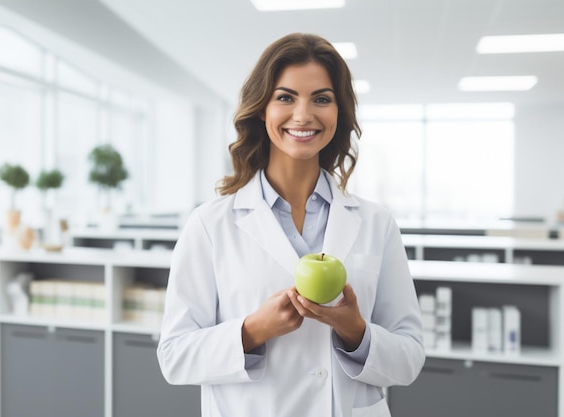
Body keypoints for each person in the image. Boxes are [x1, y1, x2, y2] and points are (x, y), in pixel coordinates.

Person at [157, 32, 425, 417]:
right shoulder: (209, 225)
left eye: (321, 98)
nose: (303, 114)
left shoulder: (376, 223)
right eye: (285, 97)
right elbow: (174, 356)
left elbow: (410, 357)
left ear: (339, 112)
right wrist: (252, 330)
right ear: (262, 109)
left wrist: (356, 331)